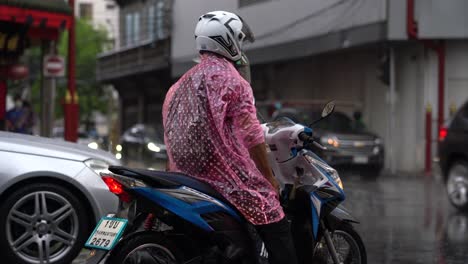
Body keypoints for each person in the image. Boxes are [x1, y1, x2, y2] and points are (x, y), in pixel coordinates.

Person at [162, 11, 297, 264]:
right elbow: (251, 134)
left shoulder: (179, 84)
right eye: (240, 39)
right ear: (229, 40)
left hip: (183, 174)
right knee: (271, 209)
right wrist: (268, 178)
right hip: (222, 174)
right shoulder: (233, 81)